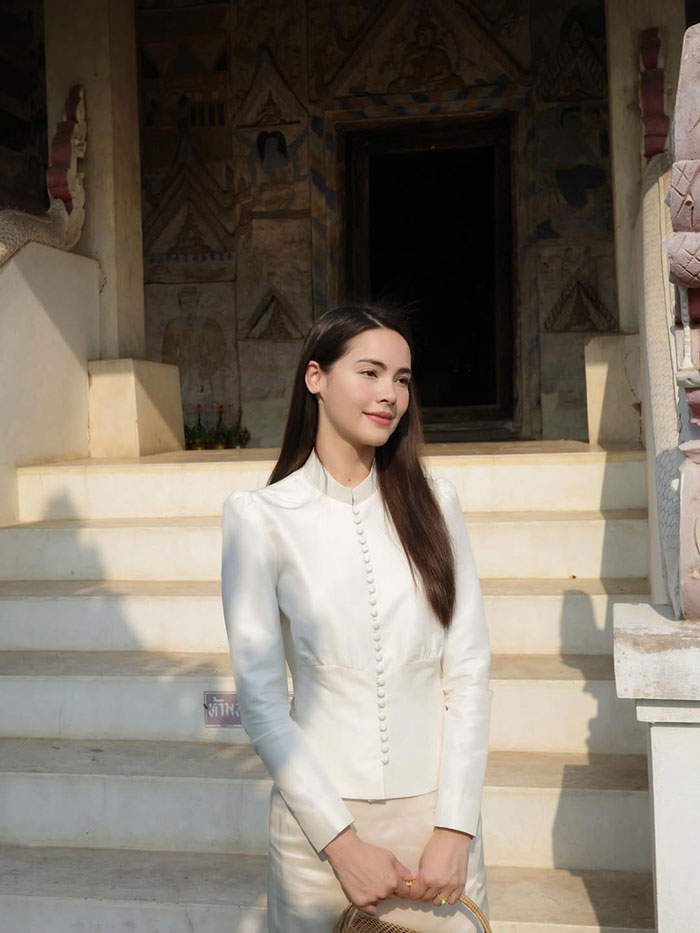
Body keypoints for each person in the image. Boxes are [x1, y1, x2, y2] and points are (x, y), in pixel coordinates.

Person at [221, 303, 492, 931]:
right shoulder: (259, 517)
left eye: (402, 378)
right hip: (319, 833)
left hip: (438, 833)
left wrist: (455, 828)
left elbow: (469, 672)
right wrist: (342, 847)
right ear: (315, 377)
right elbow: (261, 703)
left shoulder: (437, 503)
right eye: (369, 372)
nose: (389, 394)